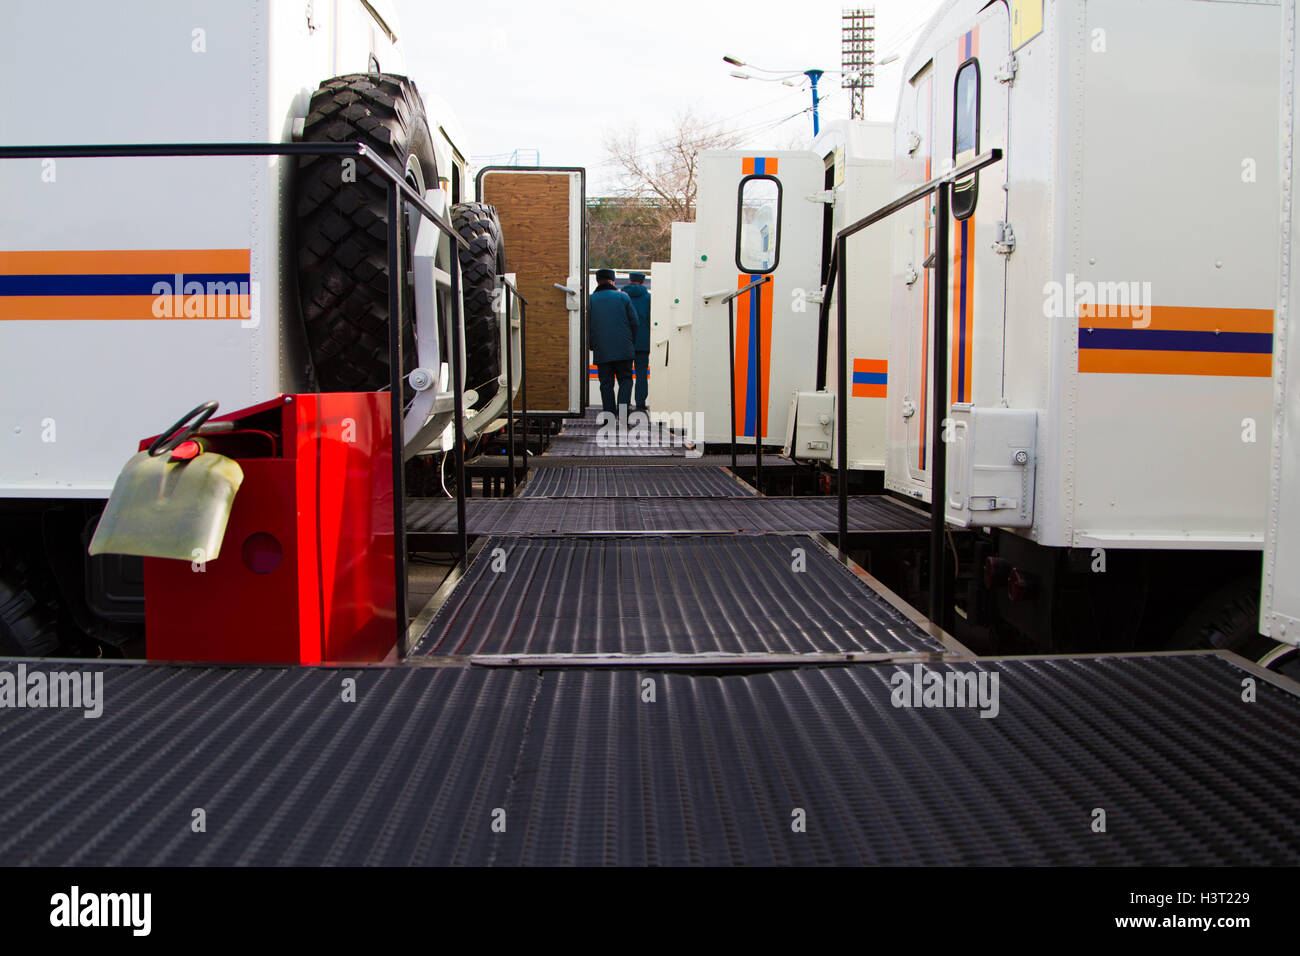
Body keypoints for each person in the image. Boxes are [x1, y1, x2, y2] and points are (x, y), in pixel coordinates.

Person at [588, 268, 638, 417]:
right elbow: (635, 322)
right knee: (626, 380)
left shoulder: (590, 300)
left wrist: (592, 344)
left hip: (602, 350)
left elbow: (586, 326)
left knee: (606, 384)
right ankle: (623, 416)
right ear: (613, 281)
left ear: (597, 281)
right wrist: (630, 342)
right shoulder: (623, 298)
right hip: (624, 349)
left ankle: (609, 417)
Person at [623, 271, 651, 413]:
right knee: (641, 374)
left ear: (630, 280)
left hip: (625, 341)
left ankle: (624, 404)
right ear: (642, 282)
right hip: (643, 342)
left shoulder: (622, 296)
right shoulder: (648, 298)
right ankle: (640, 403)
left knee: (625, 375)